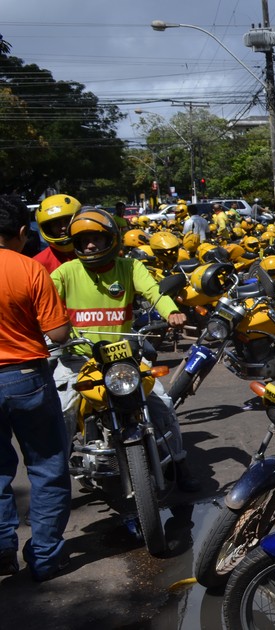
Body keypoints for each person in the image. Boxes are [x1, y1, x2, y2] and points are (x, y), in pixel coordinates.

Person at [48, 208, 197, 492]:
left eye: (96, 239)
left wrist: (172, 312)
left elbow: (155, 293)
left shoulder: (130, 268)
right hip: (78, 358)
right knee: (61, 415)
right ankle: (54, 484)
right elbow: (44, 302)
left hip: (123, 357)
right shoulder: (65, 272)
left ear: (110, 240)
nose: (90, 245)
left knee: (162, 405)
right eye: (83, 241)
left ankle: (179, 463)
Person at [0, 194, 73, 581]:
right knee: (47, 467)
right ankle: (45, 556)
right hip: (26, 376)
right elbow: (58, 333)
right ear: (23, 233)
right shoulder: (30, 269)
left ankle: (1, 549)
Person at [31, 194, 81, 274]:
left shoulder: (95, 252)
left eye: (67, 221)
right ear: (48, 228)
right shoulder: (37, 264)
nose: (63, 228)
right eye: (56, 224)